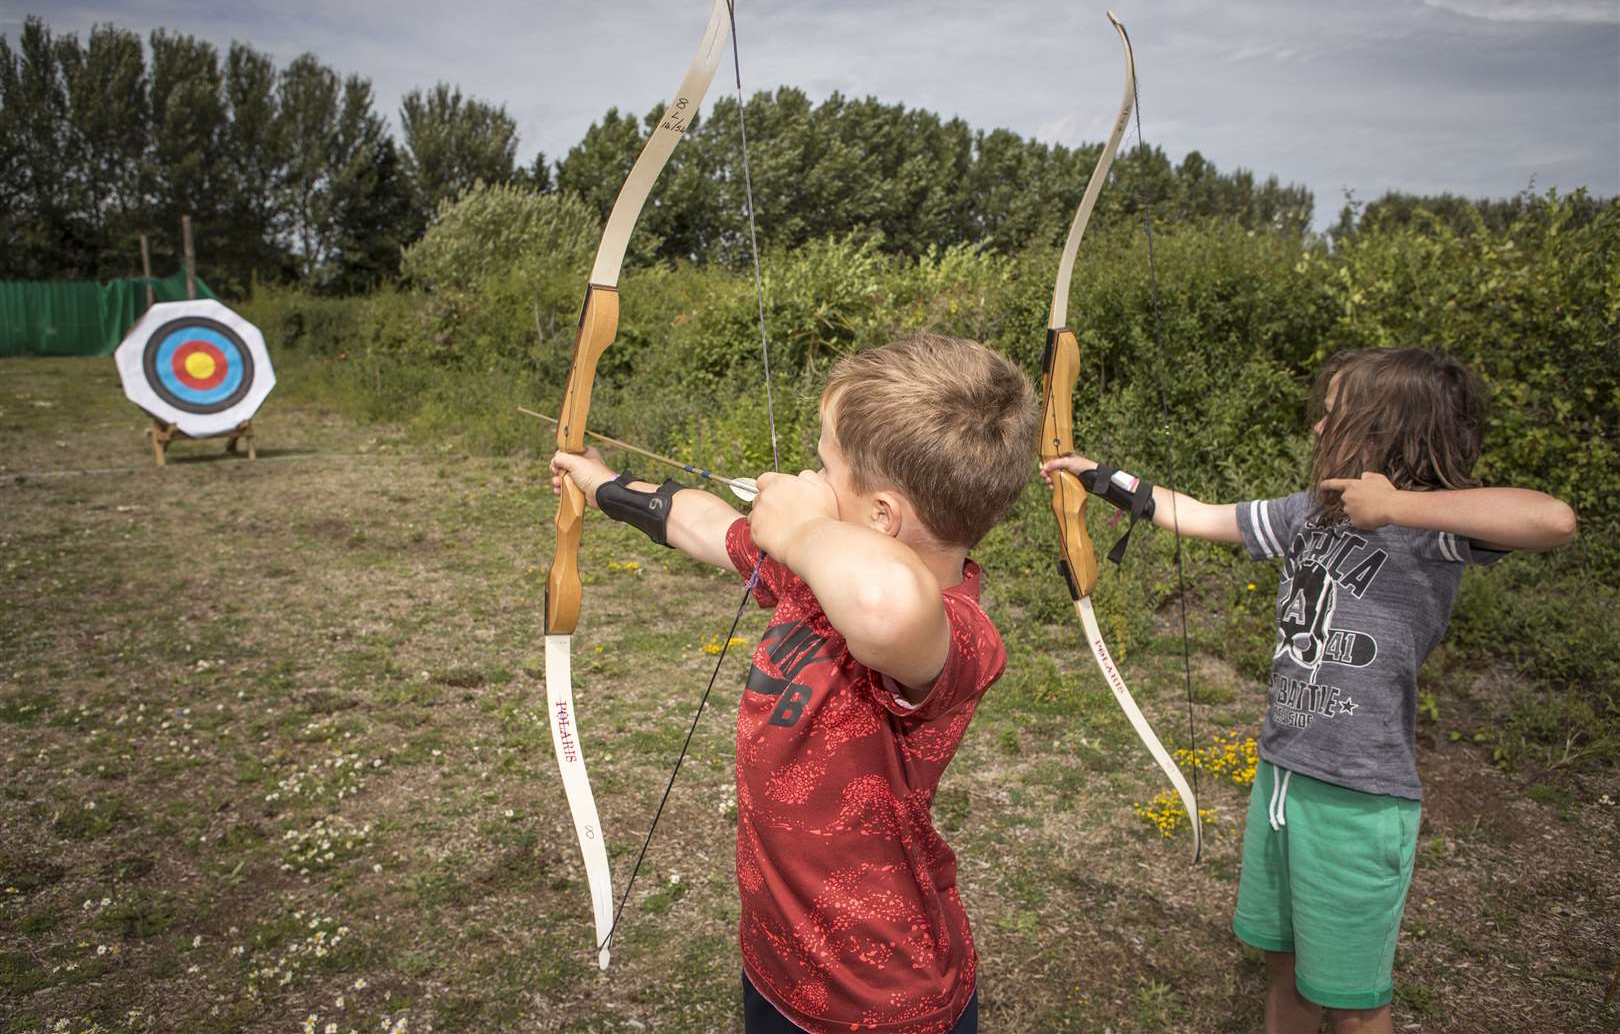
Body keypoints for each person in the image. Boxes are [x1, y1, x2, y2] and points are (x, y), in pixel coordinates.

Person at [1040, 346, 1576, 1034]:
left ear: (1388, 431)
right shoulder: (1309, 514)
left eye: (1333, 417)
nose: (1319, 431)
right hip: (1283, 777)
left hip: (1359, 797)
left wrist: (1399, 507)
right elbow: (1200, 515)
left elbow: (1551, 520)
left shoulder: (1434, 529)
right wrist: (1100, 478)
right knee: (1283, 965)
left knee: (1352, 1004)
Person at [551, 333, 1040, 1034]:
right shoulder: (817, 571)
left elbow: (885, 603)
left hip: (881, 999)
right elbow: (711, 526)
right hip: (781, 963)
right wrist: (601, 487)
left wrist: (804, 527)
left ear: (882, 516)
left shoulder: (954, 635)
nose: (809, 478)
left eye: (824, 464)